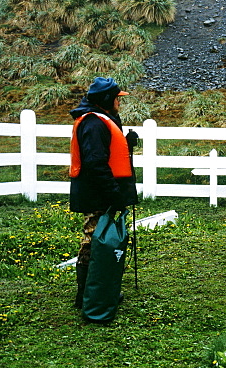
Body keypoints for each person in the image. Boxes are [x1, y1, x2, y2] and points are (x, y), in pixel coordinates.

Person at [68, 77, 138, 310]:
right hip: (97, 193)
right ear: (107, 100)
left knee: (96, 240)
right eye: (117, 98)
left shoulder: (101, 119)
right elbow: (95, 163)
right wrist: (114, 194)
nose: (120, 102)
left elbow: (106, 154)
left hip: (100, 192)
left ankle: (94, 290)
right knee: (93, 241)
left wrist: (127, 144)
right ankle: (87, 295)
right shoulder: (93, 123)